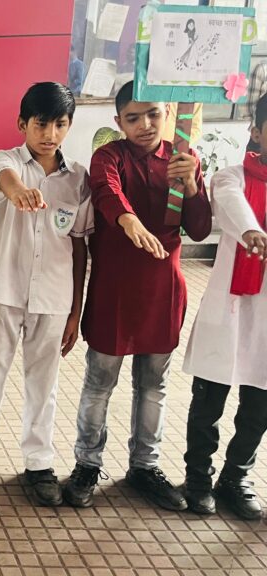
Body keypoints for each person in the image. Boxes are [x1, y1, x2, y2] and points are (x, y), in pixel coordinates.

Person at [62, 82, 212, 511]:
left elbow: (200, 229)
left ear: (167, 113)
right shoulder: (110, 156)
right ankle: (87, 464)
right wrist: (128, 221)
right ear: (119, 122)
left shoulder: (182, 159)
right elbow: (106, 191)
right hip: (114, 291)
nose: (144, 125)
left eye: (153, 114)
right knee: (99, 383)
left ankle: (145, 466)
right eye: (133, 118)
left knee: (154, 386)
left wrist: (193, 185)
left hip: (163, 291)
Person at [0, 82, 92, 506]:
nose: (50, 134)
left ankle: (39, 464)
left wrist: (75, 311)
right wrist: (21, 193)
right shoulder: (7, 160)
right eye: (41, 124)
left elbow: (80, 246)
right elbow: (6, 182)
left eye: (59, 124)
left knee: (44, 384)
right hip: (3, 291)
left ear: (68, 126)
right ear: (22, 124)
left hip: (54, 296)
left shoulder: (78, 179)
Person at [180, 94, 267, 521]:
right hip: (230, 310)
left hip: (265, 320)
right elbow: (233, 206)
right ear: (257, 132)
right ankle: (198, 478)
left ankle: (236, 478)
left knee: (258, 408)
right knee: (208, 403)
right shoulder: (232, 177)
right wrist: (252, 231)